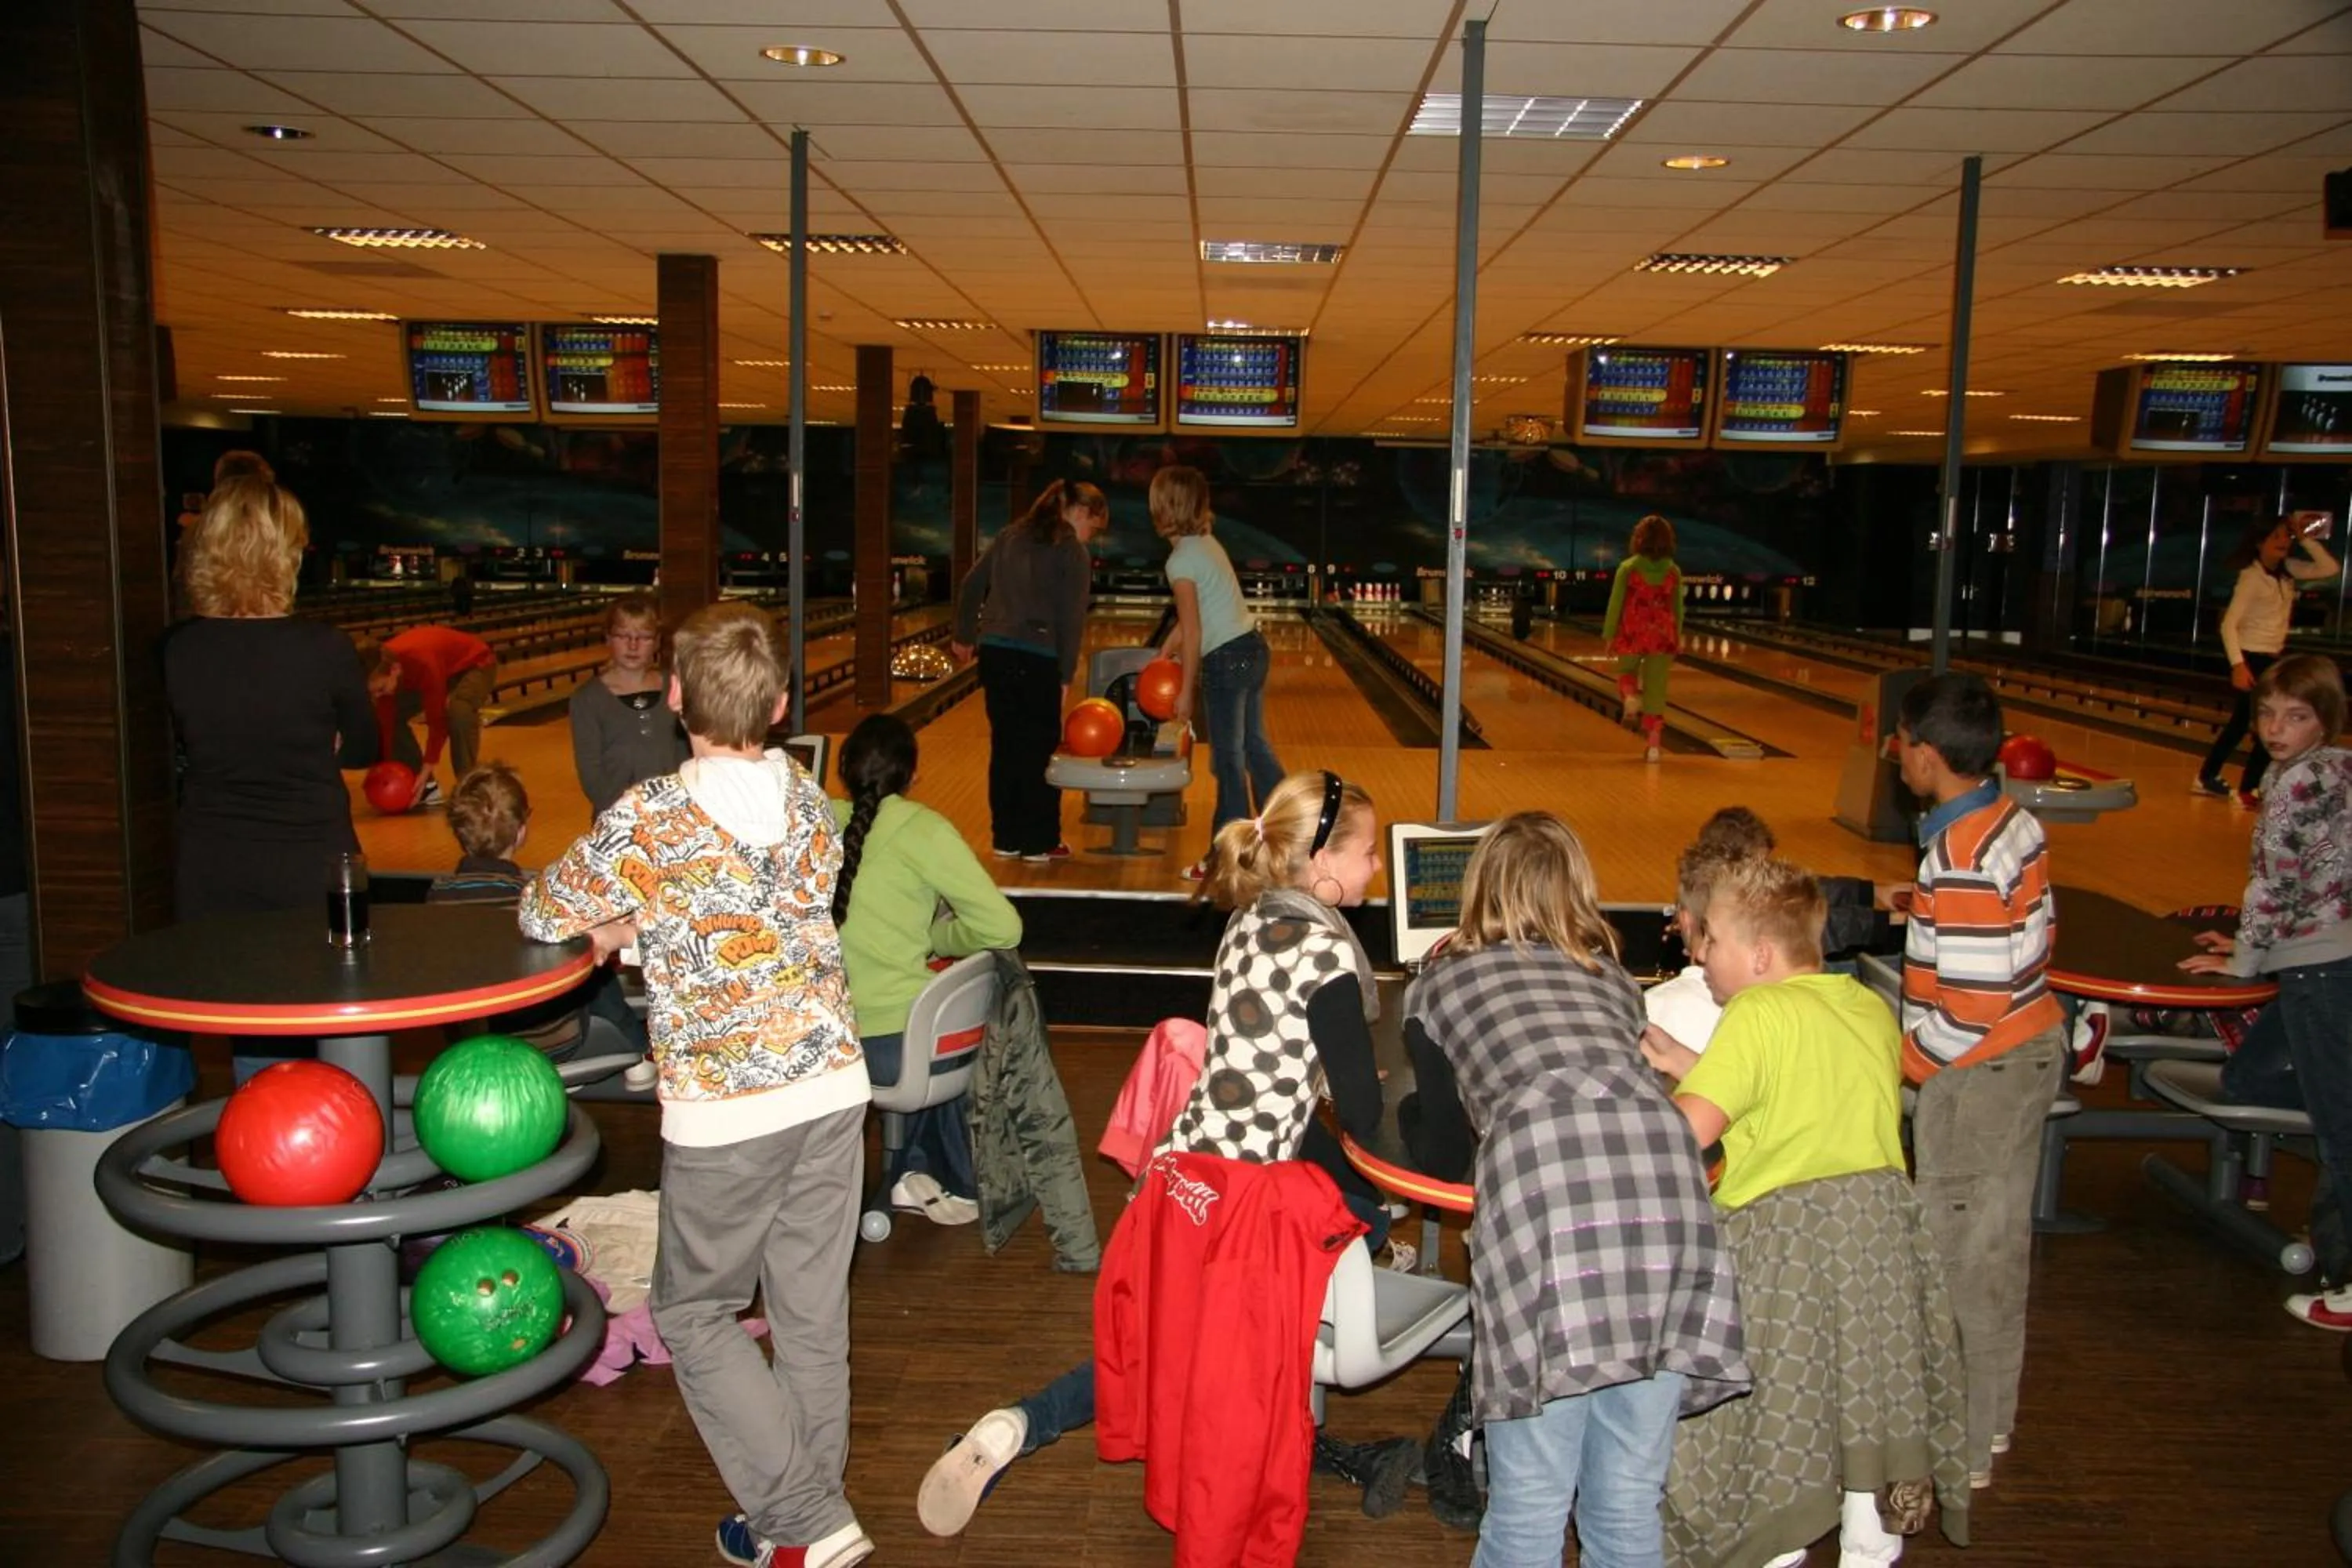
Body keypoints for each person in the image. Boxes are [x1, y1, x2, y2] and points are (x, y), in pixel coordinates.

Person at [918, 770, 1416, 1539]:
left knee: (1155, 1353)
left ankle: (1013, 1423)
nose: (1377, 867)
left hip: (1177, 1181)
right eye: (1369, 851)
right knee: (1244, 1373)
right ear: (1322, 863)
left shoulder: (1250, 919)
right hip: (1243, 1212)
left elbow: (1265, 1064)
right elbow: (1360, 1109)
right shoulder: (1327, 952)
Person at [518, 601, 873, 1568]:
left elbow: (544, 904)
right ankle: (792, 1525)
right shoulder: (807, 794)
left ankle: (803, 1514)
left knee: (692, 1309)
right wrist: (650, 922)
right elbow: (766, 896)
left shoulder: (651, 815)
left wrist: (628, 919)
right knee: (809, 1313)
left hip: (732, 1108)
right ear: (785, 702)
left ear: (676, 698)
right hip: (834, 1085)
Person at [1405, 811, 1749, 1568]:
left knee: (1530, 1502)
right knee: (1627, 1502)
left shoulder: (1441, 981)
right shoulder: (1614, 984)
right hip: (1670, 1202)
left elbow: (1435, 1147)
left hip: (1548, 1213)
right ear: (1580, 892)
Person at [1642, 858, 1970, 1568]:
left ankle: (1775, 1548)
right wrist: (1694, 1061)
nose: (1701, 956)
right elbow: (1808, 1094)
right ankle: (1868, 1546)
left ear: (1759, 956)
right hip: (1881, 1242)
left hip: (1786, 1250)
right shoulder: (1866, 1008)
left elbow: (1686, 1134)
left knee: (1779, 1414)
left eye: (1715, 942)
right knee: (1862, 1395)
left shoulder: (1755, 1013)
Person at [1893, 672, 2065, 1489]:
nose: (1894, 753)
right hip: (2026, 1048)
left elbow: (1969, 1004)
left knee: (1958, 1262)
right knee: (1996, 1256)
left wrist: (1905, 1068)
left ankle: (1960, 1447)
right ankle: (1988, 1425)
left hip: (1980, 1071)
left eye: (1900, 740)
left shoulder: (1959, 855)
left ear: (1927, 755)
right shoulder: (2012, 821)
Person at [163, 477, 377, 1077]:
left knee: (253, 1041)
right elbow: (363, 745)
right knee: (332, 1029)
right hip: (312, 864)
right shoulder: (323, 649)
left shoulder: (179, 649)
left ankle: (264, 1161)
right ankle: (342, 1154)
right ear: (283, 552)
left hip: (214, 863)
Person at [2183, 655, 2352, 1329]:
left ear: (2326, 718)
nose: (2276, 728)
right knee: (2248, 1077)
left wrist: (2247, 957)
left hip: (2320, 969)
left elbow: (2276, 880)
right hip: (2319, 958)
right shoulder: (2336, 767)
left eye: (2297, 715)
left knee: (2341, 1133)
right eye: (2267, 714)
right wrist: (2254, 945)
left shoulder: (2294, 783)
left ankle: (2345, 1281)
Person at [830, 713, 1023, 1224]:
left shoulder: (816, 822)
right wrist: (939, 936)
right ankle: (940, 1175)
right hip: (893, 1052)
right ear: (912, 776)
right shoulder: (923, 830)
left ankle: (915, 1170)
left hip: (820, 1043)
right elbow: (1004, 928)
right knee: (956, 1022)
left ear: (842, 769)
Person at [427, 761, 648, 1068]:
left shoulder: (439, 896)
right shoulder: (539, 900)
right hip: (548, 1043)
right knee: (593, 963)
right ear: (520, 832)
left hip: (471, 1045)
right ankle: (637, 1049)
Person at [952, 479, 1110, 863]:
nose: (1091, 536)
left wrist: (964, 635)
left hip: (996, 654)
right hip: (1039, 657)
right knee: (1040, 751)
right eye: (1094, 526)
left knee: (1006, 746)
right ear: (1079, 512)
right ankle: (1040, 841)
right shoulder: (1071, 551)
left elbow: (972, 585)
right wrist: (1065, 679)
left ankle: (1006, 837)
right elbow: (1071, 622)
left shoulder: (1009, 535)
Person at [1152, 465, 1284, 877]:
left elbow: (1195, 630)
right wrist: (1164, 650)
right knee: (1254, 751)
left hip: (1226, 660)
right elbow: (1197, 616)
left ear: (1164, 508)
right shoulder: (1206, 543)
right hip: (1253, 649)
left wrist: (1186, 690)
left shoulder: (1181, 560)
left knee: (1228, 761)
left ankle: (1224, 861)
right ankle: (1293, 832)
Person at [2195, 514, 2339, 804]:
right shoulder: (2252, 578)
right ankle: (2245, 787)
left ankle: (2216, 778)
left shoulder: (2287, 572)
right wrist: (2238, 664)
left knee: (2251, 722)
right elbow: (2228, 624)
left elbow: (2330, 568)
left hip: (2272, 659)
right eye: (2276, 537)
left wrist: (2305, 537)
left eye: (2286, 537)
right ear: (2260, 543)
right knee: (2261, 722)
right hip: (2251, 657)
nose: (2283, 542)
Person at [570, 591, 688, 815]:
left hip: (673, 816)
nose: (633, 646)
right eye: (623, 636)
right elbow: (591, 774)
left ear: (656, 642)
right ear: (608, 638)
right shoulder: (587, 699)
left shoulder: (674, 687)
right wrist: (627, 813)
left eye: (643, 637)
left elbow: (685, 755)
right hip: (616, 818)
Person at [356, 622, 499, 808]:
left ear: (395, 670)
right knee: (387, 715)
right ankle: (426, 787)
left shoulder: (423, 661)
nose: (378, 696)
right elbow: (387, 724)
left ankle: (469, 786)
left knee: (459, 711)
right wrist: (380, 767)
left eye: (381, 689)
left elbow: (437, 722)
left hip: (476, 663)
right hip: (440, 667)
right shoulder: (381, 667)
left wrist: (428, 765)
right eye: (373, 693)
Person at [1602, 513, 1686, 764]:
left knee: (1626, 673)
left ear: (1638, 540)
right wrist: (1677, 635)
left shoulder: (1628, 568)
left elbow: (1615, 603)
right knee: (1656, 690)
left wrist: (1609, 635)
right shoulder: (1673, 571)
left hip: (1632, 631)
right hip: (1662, 636)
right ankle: (1653, 747)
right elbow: (1677, 607)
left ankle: (1629, 697)